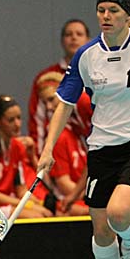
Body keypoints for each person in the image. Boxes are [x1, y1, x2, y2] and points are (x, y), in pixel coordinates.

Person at [38, 0, 130, 259]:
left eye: (113, 11)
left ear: (128, 16)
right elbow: (64, 104)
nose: (105, 16)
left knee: (119, 214)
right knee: (101, 230)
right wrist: (48, 148)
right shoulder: (86, 55)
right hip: (102, 148)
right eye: (101, 10)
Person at [28, 19, 91, 154]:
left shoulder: (97, 74)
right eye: (68, 34)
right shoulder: (46, 79)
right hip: (57, 149)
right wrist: (39, 155)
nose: (73, 38)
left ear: (88, 40)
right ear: (62, 41)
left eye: (79, 34)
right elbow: (37, 121)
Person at [36, 71, 91, 216]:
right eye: (45, 103)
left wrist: (75, 194)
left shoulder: (84, 103)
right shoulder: (72, 125)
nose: (49, 107)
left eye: (51, 99)